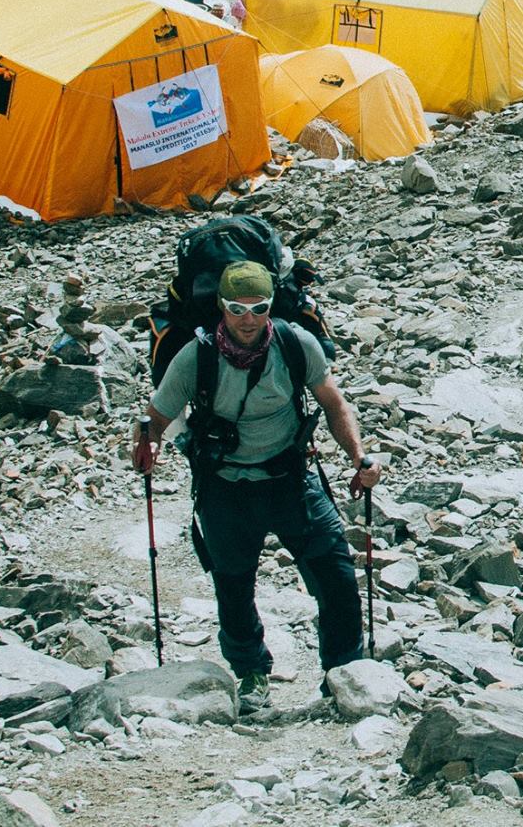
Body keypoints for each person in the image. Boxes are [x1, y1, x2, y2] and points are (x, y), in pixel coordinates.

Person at [134, 262, 381, 711]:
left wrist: (357, 458)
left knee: (336, 576)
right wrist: (146, 442)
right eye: (236, 308)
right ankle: (250, 673)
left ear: (271, 306)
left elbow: (333, 403)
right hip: (225, 486)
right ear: (220, 308)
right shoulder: (196, 357)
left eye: (259, 308)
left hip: (290, 478)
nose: (248, 319)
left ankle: (343, 673)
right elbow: (157, 416)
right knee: (233, 585)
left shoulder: (293, 344)